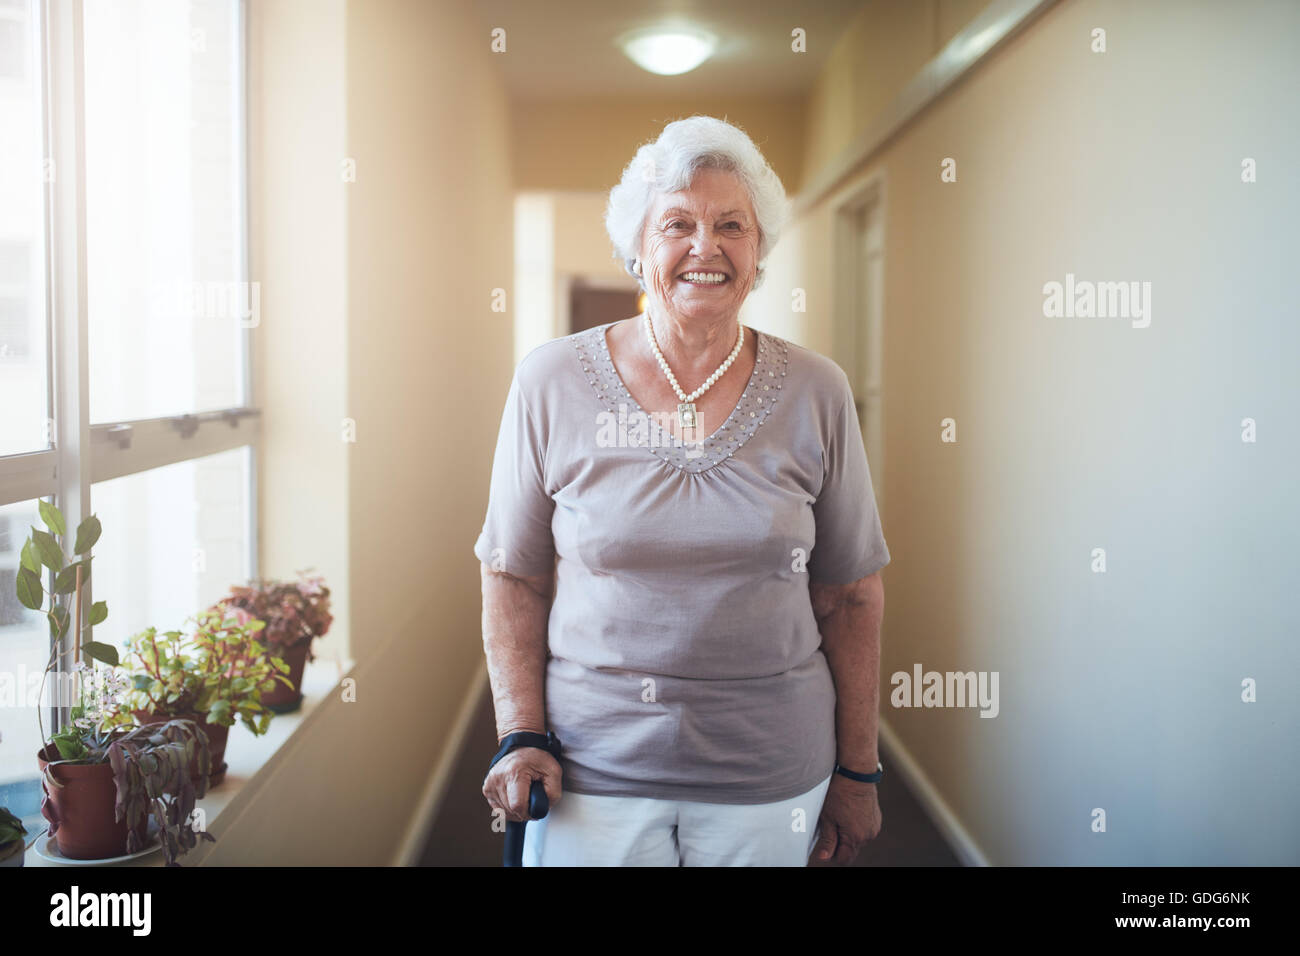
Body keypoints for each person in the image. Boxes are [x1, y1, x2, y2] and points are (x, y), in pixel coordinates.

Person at [475, 115, 889, 866]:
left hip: (770, 771)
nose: (707, 247)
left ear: (758, 252)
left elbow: (851, 595)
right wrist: (519, 732)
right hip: (590, 771)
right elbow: (513, 574)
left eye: (732, 224)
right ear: (639, 250)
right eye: (678, 224)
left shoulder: (816, 390)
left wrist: (857, 771)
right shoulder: (551, 381)